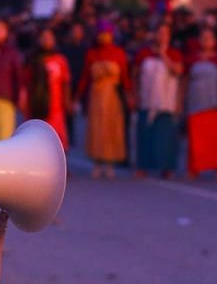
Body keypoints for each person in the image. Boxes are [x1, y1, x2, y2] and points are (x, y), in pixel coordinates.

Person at [76, 21, 132, 179]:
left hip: (112, 97)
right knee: (97, 128)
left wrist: (129, 96)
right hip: (96, 96)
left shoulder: (119, 53)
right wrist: (77, 97)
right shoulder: (92, 54)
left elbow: (125, 78)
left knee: (111, 128)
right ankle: (97, 162)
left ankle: (109, 162)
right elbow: (85, 77)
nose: (104, 37)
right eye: (101, 33)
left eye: (107, 33)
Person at [133, 23, 184, 178]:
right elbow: (135, 75)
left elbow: (177, 71)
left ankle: (166, 168)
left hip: (166, 102)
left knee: (166, 136)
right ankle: (143, 166)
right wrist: (134, 95)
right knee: (145, 135)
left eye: (165, 33)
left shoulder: (174, 54)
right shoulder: (144, 53)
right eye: (159, 33)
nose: (162, 36)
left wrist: (163, 54)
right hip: (147, 100)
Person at [183, 27, 217, 180]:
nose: (206, 41)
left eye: (209, 38)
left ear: (214, 41)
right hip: (195, 102)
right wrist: (181, 99)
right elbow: (184, 80)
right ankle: (194, 168)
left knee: (215, 139)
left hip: (214, 102)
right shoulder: (192, 59)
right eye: (203, 38)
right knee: (196, 139)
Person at [23, 27, 72, 150]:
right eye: (43, 37)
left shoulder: (60, 60)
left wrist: (67, 101)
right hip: (34, 106)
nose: (46, 40)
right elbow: (25, 82)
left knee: (57, 140)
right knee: (34, 139)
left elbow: (66, 82)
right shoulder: (31, 59)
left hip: (55, 107)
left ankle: (60, 167)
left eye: (49, 37)